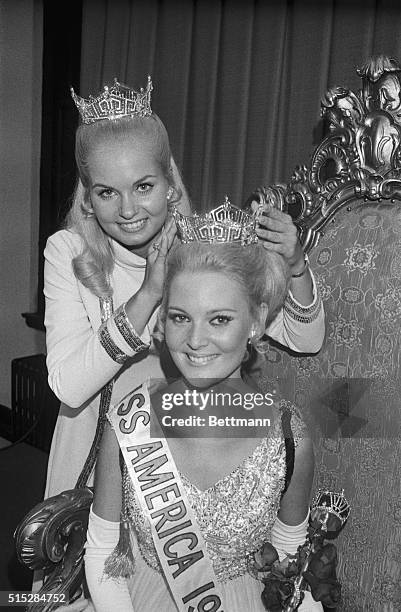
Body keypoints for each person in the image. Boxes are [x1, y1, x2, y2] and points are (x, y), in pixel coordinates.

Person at [43, 76, 324, 503]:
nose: (129, 210)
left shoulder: (201, 251)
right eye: (106, 193)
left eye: (143, 186)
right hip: (88, 466)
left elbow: (306, 338)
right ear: (87, 198)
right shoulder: (67, 251)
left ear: (169, 184)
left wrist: (297, 265)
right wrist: (149, 294)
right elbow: (68, 386)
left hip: (180, 467)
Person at [84, 232, 323, 611]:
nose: (196, 340)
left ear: (256, 321)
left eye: (220, 319)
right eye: (181, 317)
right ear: (162, 321)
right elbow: (101, 556)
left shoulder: (288, 437)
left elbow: (291, 556)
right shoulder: (130, 423)